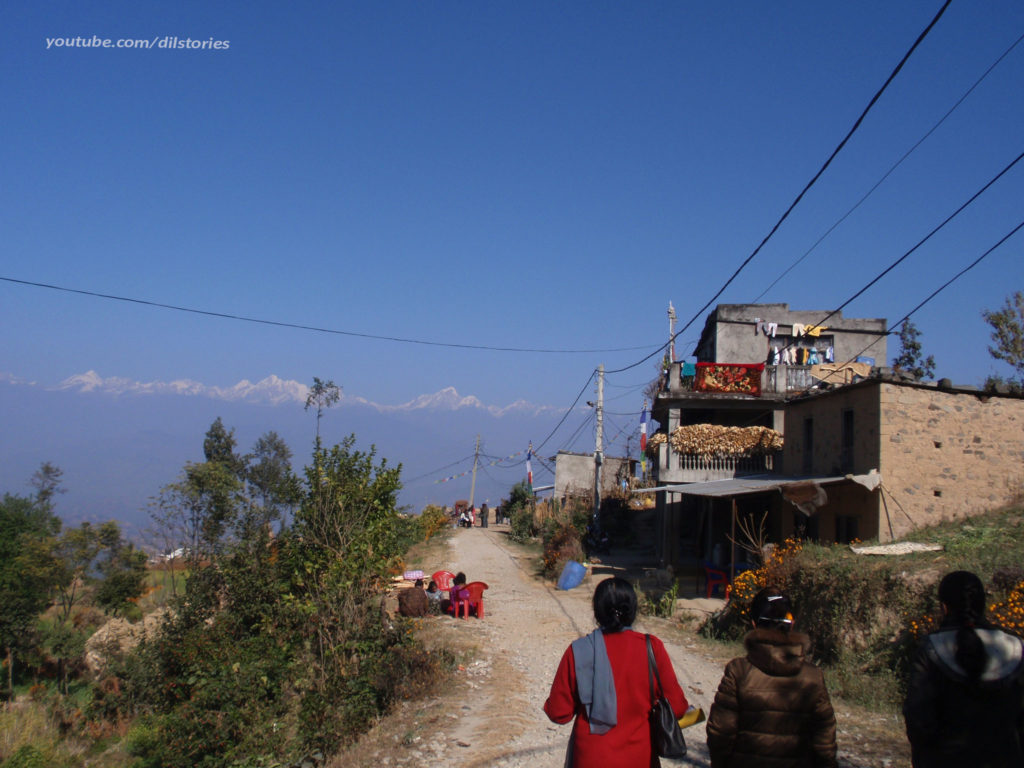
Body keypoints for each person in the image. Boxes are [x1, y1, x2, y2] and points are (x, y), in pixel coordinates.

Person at [544, 577, 688, 767]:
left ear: (597, 611)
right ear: (633, 610)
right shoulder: (652, 648)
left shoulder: (579, 650)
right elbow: (677, 707)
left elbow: (558, 713)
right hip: (639, 758)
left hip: (590, 758)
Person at [903, 570, 1024, 767]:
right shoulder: (1015, 648)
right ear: (983, 604)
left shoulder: (932, 649)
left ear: (944, 607)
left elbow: (918, 722)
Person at [706, 586, 837, 768]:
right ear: (791, 623)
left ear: (753, 624)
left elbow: (720, 733)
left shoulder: (739, 672)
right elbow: (824, 741)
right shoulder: (813, 677)